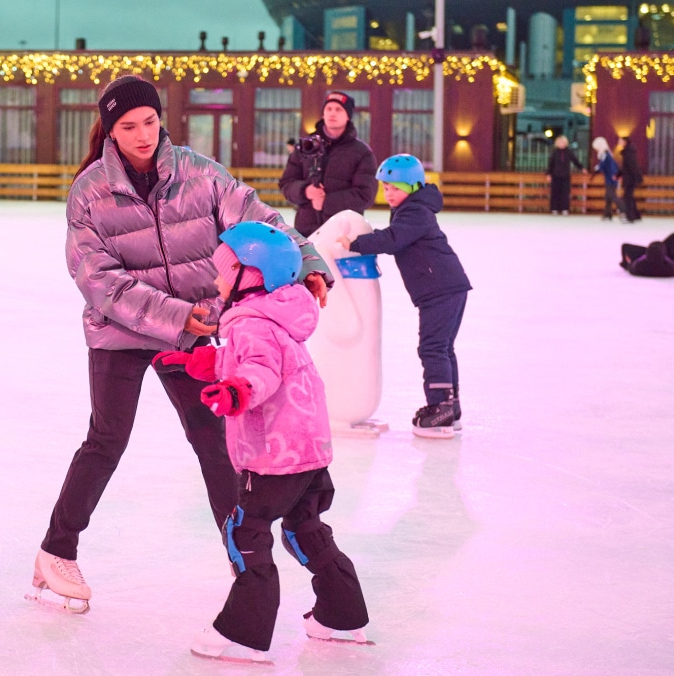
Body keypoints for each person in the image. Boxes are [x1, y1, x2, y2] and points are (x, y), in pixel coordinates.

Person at [30, 74, 334, 613]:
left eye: (150, 121)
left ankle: (243, 555)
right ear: (110, 131)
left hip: (193, 328)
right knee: (107, 439)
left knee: (214, 441)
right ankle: (57, 551)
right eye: (129, 126)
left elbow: (260, 220)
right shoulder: (90, 192)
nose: (143, 134)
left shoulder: (199, 173)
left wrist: (307, 262)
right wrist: (175, 315)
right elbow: (96, 278)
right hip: (122, 332)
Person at [152, 223, 369, 663]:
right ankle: (342, 617)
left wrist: (236, 391)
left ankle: (244, 634)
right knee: (304, 528)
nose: (216, 280)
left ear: (249, 276)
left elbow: (260, 371)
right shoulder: (276, 314)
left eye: (223, 272)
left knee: (245, 533)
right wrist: (200, 363)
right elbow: (257, 359)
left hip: (275, 453)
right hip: (308, 450)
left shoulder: (251, 323)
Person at [338, 154, 471, 439]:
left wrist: (356, 243)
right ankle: (450, 407)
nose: (388, 193)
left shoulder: (416, 212)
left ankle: (441, 409)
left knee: (433, 348)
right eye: (386, 187)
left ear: (412, 186)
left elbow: (392, 239)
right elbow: (395, 235)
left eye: (395, 188)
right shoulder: (412, 209)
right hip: (445, 288)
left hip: (440, 290)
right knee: (442, 348)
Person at [279, 91, 378, 237]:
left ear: (348, 116)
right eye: (329, 109)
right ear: (323, 113)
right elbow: (286, 184)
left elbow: (366, 195)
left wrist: (327, 202)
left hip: (344, 234)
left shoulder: (362, 153)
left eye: (338, 109)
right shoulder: (305, 146)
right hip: (306, 231)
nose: (332, 113)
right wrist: (305, 191)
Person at [545, 135, 586, 215]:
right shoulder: (554, 152)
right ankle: (554, 208)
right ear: (557, 143)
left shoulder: (568, 152)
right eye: (560, 142)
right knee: (555, 192)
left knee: (565, 193)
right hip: (555, 175)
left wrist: (581, 168)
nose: (561, 144)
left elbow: (575, 160)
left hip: (565, 175)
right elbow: (551, 164)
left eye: (563, 142)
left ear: (566, 143)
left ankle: (565, 208)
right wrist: (548, 174)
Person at [591, 136, 627, 221]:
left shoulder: (604, 154)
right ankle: (607, 214)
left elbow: (602, 165)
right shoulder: (608, 153)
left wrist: (596, 171)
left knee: (612, 195)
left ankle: (624, 210)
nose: (596, 150)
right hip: (611, 177)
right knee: (608, 196)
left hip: (611, 178)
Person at [616, 136, 643, 222]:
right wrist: (618, 174)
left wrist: (636, 177)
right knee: (629, 196)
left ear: (625, 142)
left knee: (627, 197)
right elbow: (625, 166)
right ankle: (636, 215)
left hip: (630, 178)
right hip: (630, 177)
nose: (619, 142)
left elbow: (631, 166)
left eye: (620, 141)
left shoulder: (628, 152)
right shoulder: (628, 152)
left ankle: (630, 216)